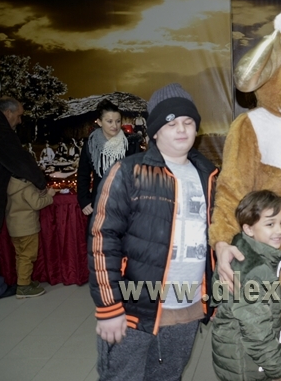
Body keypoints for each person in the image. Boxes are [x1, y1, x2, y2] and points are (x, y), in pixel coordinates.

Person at [88, 83, 218, 380]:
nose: (181, 129)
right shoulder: (128, 172)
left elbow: (216, 240)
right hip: (134, 307)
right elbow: (102, 241)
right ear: (156, 131)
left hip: (187, 307)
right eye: (171, 123)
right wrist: (109, 307)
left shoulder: (208, 175)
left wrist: (215, 296)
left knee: (168, 376)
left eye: (188, 122)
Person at [211, 190, 281, 381]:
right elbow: (257, 333)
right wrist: (279, 370)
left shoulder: (239, 247)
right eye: (270, 224)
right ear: (248, 229)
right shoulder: (255, 269)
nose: (279, 231)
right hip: (247, 364)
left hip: (233, 352)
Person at [0, 97, 46, 301]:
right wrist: (41, 183)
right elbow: (20, 161)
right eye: (19, 116)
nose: (19, 121)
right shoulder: (0, 132)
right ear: (8, 113)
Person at [77, 99, 139, 216]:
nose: (114, 125)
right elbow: (83, 175)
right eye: (109, 121)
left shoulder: (131, 143)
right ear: (99, 122)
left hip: (126, 205)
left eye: (118, 121)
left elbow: (138, 175)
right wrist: (84, 200)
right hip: (99, 204)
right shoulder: (91, 145)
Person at [6, 176, 57, 298]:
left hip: (14, 227)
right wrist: (49, 196)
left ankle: (23, 281)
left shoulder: (11, 184)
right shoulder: (26, 186)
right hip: (27, 227)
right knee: (28, 256)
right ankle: (23, 287)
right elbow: (37, 204)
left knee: (20, 256)